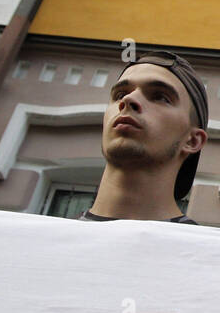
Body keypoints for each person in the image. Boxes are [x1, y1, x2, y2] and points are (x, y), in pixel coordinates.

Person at [80, 50, 208, 224]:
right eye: (119, 95)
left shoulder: (204, 250)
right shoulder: (43, 241)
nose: (129, 99)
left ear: (192, 140)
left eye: (160, 97)